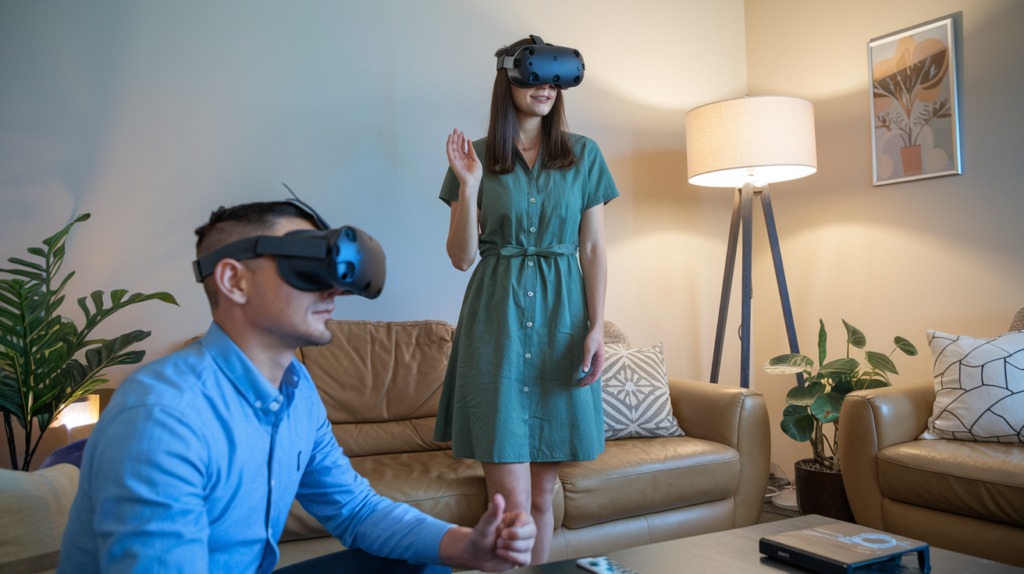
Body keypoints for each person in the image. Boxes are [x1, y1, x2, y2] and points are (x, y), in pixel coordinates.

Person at [57, 201, 536, 573]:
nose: (334, 289)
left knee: (420, 561)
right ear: (233, 280)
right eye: (308, 263)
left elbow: (354, 509)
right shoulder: (164, 417)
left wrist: (469, 546)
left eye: (333, 267)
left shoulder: (296, 388)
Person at [434, 36, 619, 565]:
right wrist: (469, 187)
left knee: (541, 500)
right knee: (512, 504)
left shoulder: (584, 154)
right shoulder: (475, 155)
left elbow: (593, 246)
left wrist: (596, 326)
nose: (545, 89)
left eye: (555, 79)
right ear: (507, 79)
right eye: (534, 76)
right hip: (498, 326)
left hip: (564, 319)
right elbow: (461, 257)